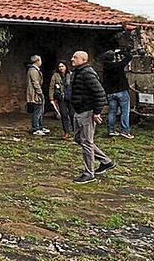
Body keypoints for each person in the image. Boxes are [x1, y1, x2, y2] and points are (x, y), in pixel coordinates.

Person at [70, 50, 115, 184]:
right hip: (79, 111)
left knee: (87, 143)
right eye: (72, 57)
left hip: (87, 112)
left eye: (75, 57)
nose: (72, 59)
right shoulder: (78, 72)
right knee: (79, 139)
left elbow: (100, 93)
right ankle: (106, 161)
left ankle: (89, 173)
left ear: (83, 60)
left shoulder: (87, 73)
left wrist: (96, 112)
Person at [101, 49, 134, 139]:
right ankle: (125, 131)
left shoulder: (105, 67)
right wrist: (120, 52)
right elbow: (129, 57)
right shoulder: (118, 65)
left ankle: (111, 130)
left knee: (112, 112)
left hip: (111, 93)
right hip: (122, 91)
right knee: (125, 112)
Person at [49, 61, 74, 140]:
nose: (61, 68)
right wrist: (51, 98)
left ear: (66, 66)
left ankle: (75, 131)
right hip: (61, 98)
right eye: (59, 67)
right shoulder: (55, 76)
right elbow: (51, 87)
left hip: (71, 97)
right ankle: (66, 132)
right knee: (63, 114)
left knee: (72, 114)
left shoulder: (71, 74)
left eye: (62, 66)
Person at [26, 55, 48, 136]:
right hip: (35, 94)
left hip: (36, 93)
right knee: (37, 111)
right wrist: (40, 92)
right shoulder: (33, 70)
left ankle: (40, 127)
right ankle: (36, 128)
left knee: (40, 110)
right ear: (37, 61)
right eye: (40, 60)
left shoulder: (35, 70)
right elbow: (35, 83)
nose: (41, 62)